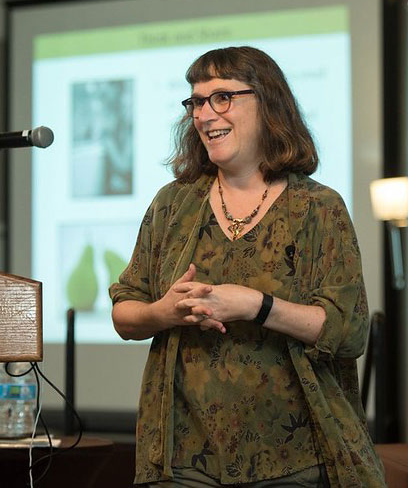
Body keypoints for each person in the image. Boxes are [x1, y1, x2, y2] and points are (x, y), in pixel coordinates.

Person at [109, 46, 385, 487]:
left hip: (294, 458)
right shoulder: (173, 203)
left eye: (222, 97)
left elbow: (347, 331)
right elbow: (125, 311)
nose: (204, 114)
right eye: (196, 101)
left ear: (268, 103)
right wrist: (164, 312)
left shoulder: (318, 207)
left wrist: (256, 305)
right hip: (184, 459)